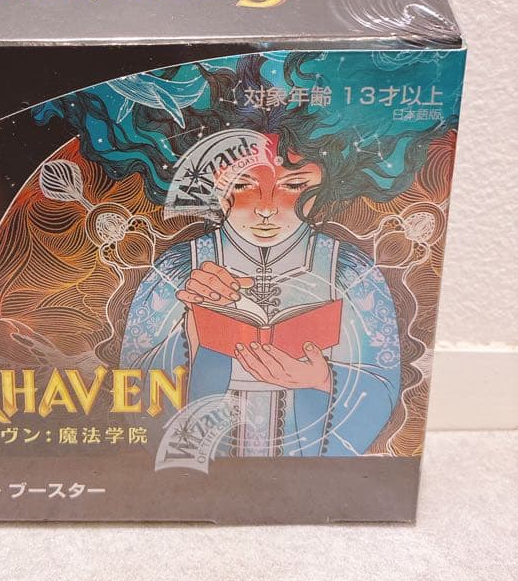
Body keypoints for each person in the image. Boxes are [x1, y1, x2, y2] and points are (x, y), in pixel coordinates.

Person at [120, 129, 401, 457]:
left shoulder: (351, 271)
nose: (266, 208)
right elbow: (133, 382)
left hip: (303, 453)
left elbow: (381, 383)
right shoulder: (178, 269)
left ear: (325, 184)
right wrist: (192, 330)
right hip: (206, 457)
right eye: (241, 185)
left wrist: (323, 378)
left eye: (293, 186)